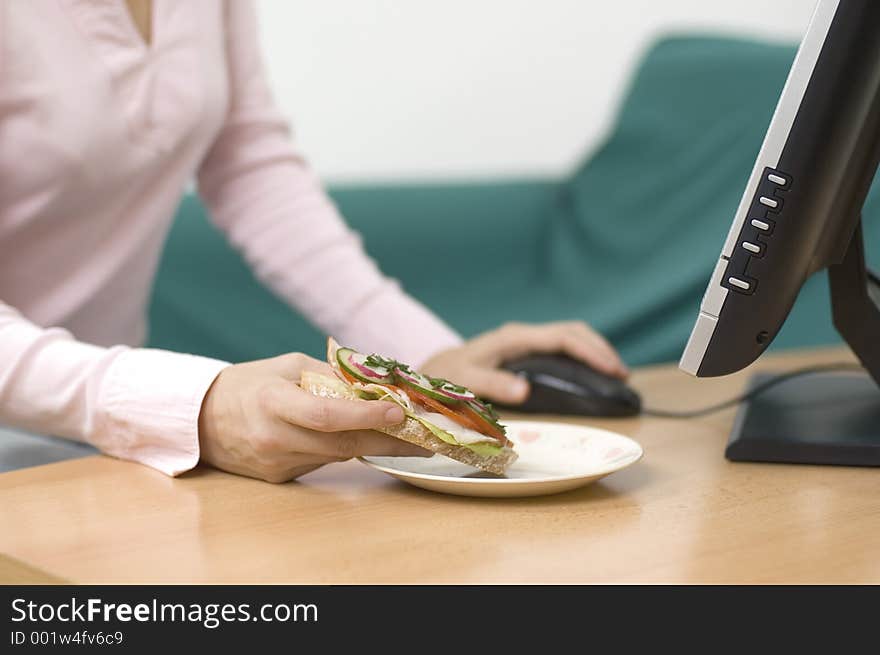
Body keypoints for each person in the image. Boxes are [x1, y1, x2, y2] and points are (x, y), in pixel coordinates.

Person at [0, 0, 627, 483]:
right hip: (76, 420)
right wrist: (190, 405)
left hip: (93, 435)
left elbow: (249, 164)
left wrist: (424, 359)